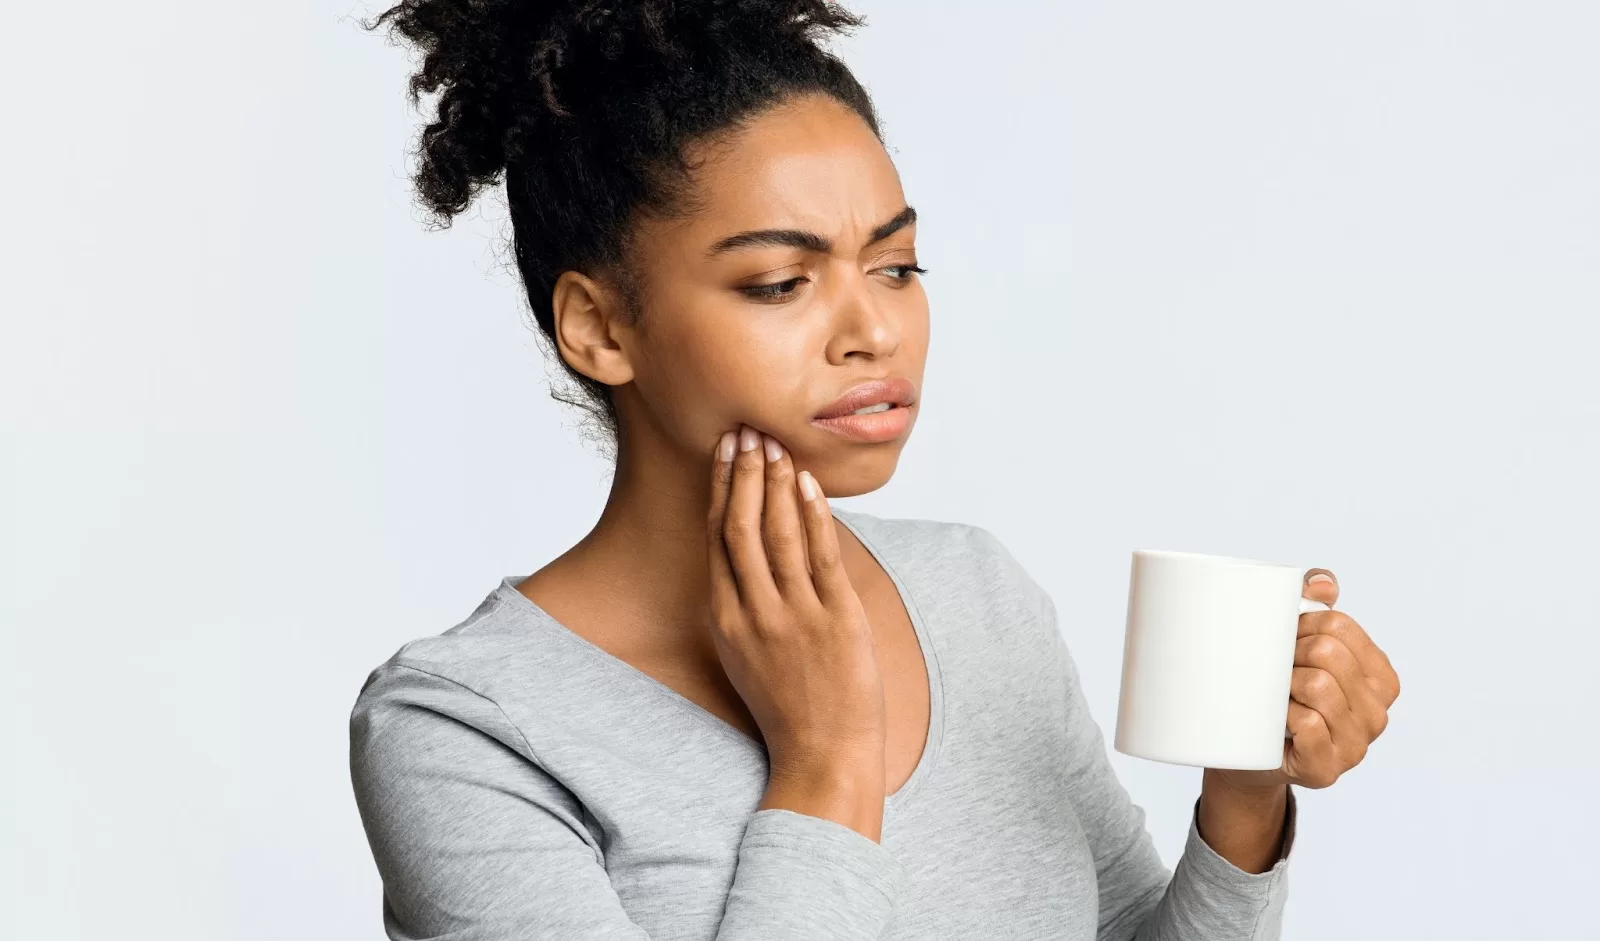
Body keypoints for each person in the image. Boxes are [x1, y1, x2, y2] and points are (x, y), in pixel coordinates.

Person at [348, 2, 1402, 939]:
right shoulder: (463, 726)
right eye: (778, 282)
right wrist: (825, 766)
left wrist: (1244, 797)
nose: (873, 330)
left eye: (896, 267)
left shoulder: (977, 595)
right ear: (598, 326)